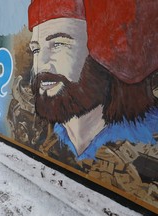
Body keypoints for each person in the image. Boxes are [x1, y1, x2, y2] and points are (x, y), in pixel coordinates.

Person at [28, 0, 158, 159]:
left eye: (58, 44)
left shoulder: (148, 139)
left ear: (104, 54)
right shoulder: (49, 136)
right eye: (36, 49)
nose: (40, 64)